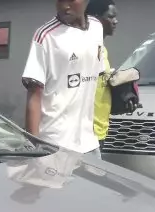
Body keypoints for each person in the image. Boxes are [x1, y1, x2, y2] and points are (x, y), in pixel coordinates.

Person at [22, 0, 105, 156]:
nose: (64, 6)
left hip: (89, 144)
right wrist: (34, 148)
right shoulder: (45, 36)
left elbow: (94, 78)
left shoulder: (96, 28)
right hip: (54, 145)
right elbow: (34, 93)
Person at [86, 0, 119, 148]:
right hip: (87, 132)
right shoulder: (84, 48)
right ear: (95, 18)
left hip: (101, 129)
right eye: (110, 17)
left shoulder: (102, 49)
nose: (115, 21)